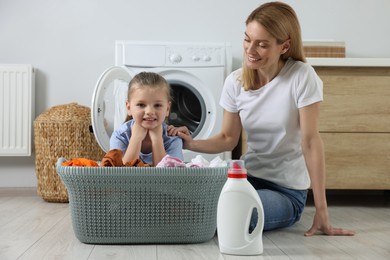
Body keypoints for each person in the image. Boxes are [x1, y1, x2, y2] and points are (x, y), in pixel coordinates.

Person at [169, 2, 355, 236]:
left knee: (233, 213)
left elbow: (310, 142)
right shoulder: (236, 81)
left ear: (284, 46)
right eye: (247, 39)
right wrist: (191, 143)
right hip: (246, 177)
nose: (250, 50)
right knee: (189, 198)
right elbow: (228, 138)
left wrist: (322, 211)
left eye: (262, 44)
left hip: (287, 192)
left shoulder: (301, 76)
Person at [110, 71, 183, 166]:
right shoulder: (120, 136)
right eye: (141, 105)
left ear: (167, 109)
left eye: (157, 105)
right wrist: (136, 138)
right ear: (129, 108)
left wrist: (157, 140)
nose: (149, 111)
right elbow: (120, 176)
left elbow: (167, 179)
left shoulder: (173, 139)